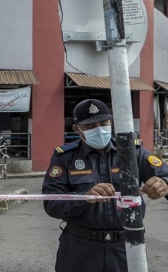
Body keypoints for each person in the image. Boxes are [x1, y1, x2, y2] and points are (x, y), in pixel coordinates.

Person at [42, 99, 168, 272]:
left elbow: (165, 176)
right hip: (79, 248)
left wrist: (164, 184)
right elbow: (51, 204)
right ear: (76, 129)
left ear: (111, 122)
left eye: (104, 123)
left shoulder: (132, 152)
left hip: (126, 247)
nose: (100, 130)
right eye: (90, 126)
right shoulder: (64, 158)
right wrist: (84, 198)